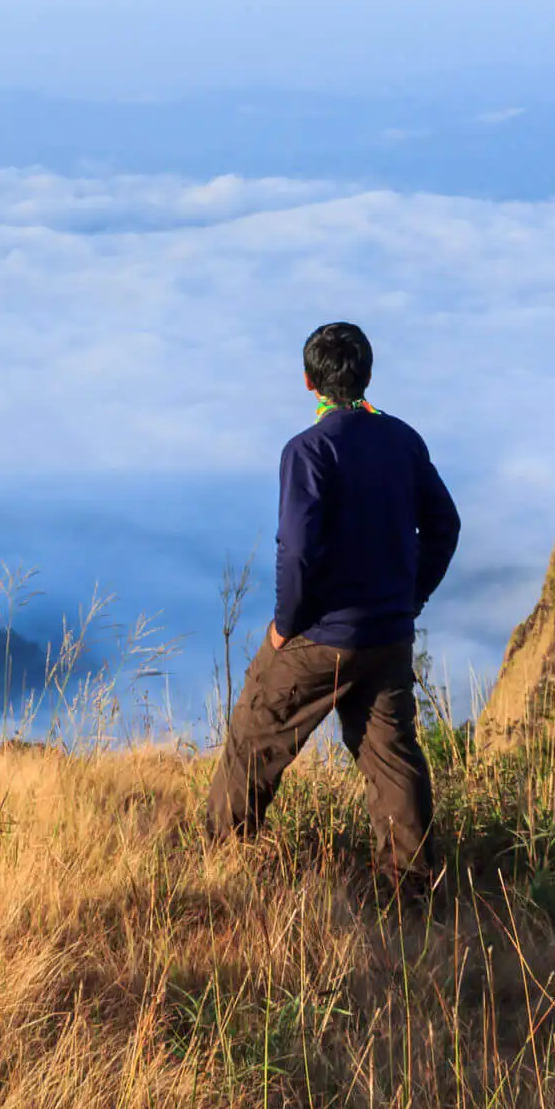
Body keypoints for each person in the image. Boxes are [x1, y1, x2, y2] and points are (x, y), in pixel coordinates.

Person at [206, 321, 461, 878]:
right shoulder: (403, 440)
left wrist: (284, 625)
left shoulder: (309, 450)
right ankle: (410, 891)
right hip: (388, 634)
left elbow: (296, 550)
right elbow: (445, 525)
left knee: (254, 733)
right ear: (367, 375)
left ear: (307, 382)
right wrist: (410, 598)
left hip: (320, 635)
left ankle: (219, 863)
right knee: (392, 758)